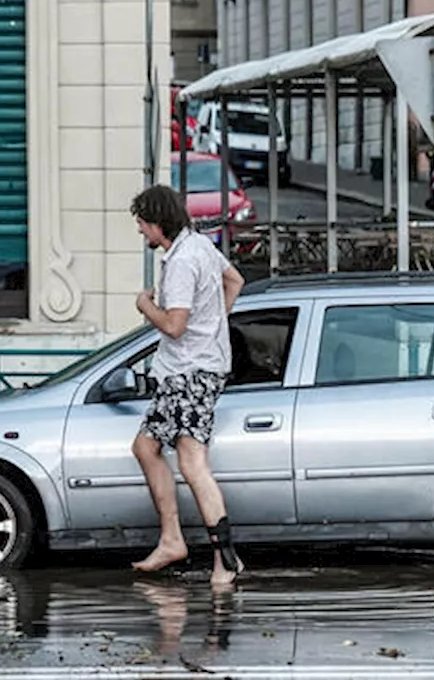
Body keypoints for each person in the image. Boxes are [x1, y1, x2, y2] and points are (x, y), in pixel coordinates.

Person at [129, 184, 247, 587]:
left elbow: (175, 326)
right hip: (194, 368)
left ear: (158, 224)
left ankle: (224, 560)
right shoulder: (200, 245)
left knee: (193, 462)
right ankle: (173, 538)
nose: (142, 233)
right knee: (147, 446)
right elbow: (235, 281)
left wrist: (145, 305)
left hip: (189, 372)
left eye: (143, 225)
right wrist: (214, 326)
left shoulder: (180, 263)